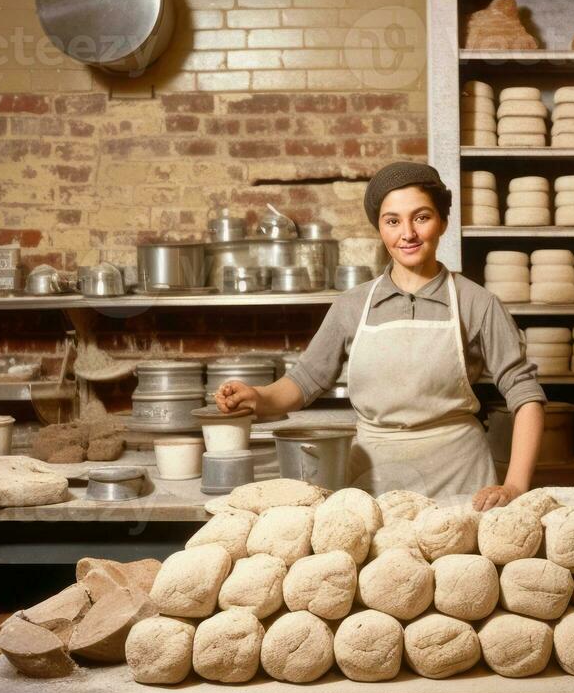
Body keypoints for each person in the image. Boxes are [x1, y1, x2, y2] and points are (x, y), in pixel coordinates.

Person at [214, 161, 546, 511]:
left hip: (461, 482)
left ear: (443, 222)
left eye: (421, 217)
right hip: (374, 481)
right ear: (380, 229)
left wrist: (514, 485)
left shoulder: (476, 302)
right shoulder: (352, 305)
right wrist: (259, 397)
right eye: (393, 221)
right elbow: (305, 380)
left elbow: (525, 396)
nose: (408, 233)